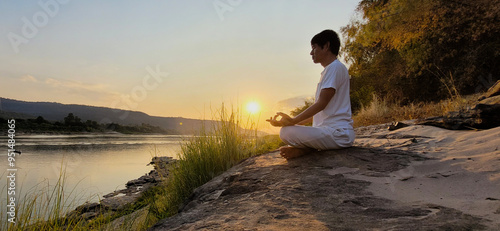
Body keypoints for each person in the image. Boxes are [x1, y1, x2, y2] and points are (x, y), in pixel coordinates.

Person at [267, 29, 355, 159]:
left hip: (338, 134)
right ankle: (306, 149)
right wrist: (291, 123)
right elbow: (320, 113)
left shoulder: (335, 67)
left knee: (286, 133)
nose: (310, 53)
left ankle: (306, 149)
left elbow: (321, 104)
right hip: (330, 132)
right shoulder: (330, 70)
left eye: (314, 48)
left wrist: (293, 120)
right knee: (286, 129)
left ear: (326, 46)